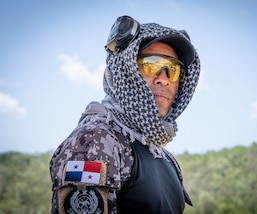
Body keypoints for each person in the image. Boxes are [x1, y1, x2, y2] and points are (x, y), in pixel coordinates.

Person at [50, 15, 201, 214]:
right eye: (151, 65)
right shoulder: (94, 141)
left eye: (173, 70)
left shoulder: (164, 156)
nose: (163, 80)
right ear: (125, 70)